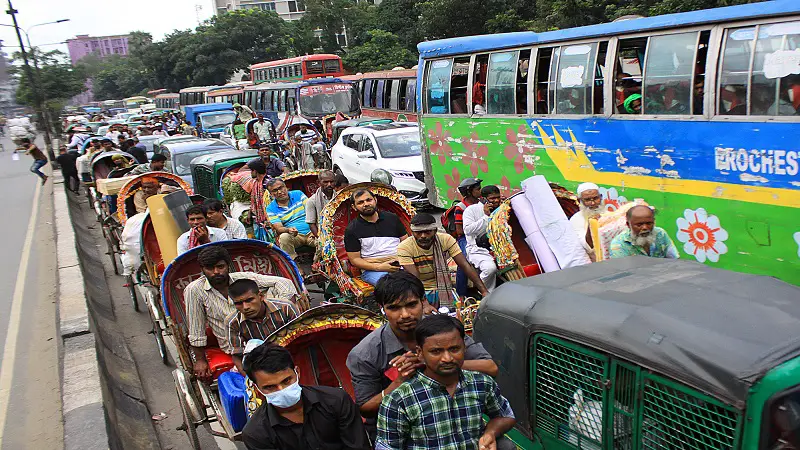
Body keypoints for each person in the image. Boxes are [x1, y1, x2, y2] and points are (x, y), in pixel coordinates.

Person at [346, 271, 498, 442]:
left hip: (454, 417)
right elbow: (366, 409)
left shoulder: (444, 330)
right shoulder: (365, 354)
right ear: (382, 308)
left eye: (411, 305)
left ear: (423, 301)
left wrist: (433, 363)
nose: (404, 315)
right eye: (394, 308)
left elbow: (490, 367)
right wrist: (398, 383)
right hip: (400, 432)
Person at [375, 314, 516, 450]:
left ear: (464, 348)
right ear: (419, 353)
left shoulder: (481, 383)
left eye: (454, 349)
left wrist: (490, 433)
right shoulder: (400, 400)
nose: (447, 358)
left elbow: (505, 417)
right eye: (436, 351)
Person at [184, 246, 298, 379]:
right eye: (210, 268)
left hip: (267, 335)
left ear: (228, 265)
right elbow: (196, 329)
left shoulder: (243, 279)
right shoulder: (194, 290)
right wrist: (200, 360)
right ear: (202, 270)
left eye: (220, 267)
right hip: (236, 344)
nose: (216, 272)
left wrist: (278, 305)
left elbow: (284, 283)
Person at [242, 342, 371, 450]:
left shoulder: (336, 400)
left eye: (286, 380)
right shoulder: (256, 433)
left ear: (297, 372)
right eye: (270, 387)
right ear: (257, 388)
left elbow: (358, 446)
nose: (281, 390)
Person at [397, 213, 488, 309]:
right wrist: (424, 303)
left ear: (435, 230)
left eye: (428, 232)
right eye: (418, 232)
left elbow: (465, 265)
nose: (423, 236)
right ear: (412, 232)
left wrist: (484, 291)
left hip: (444, 288)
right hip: (419, 290)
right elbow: (414, 279)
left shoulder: (446, 239)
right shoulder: (404, 247)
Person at [225, 279, 298, 373]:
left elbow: (300, 338)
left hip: (292, 356)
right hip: (260, 365)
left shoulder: (286, 308)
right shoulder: (232, 322)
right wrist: (251, 380)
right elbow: (237, 355)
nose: (246, 307)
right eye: (239, 303)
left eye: (249, 300)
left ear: (261, 296)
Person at [344, 189, 408, 286]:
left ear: (375, 200)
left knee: (416, 282)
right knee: (390, 286)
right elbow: (355, 260)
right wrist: (379, 267)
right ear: (354, 207)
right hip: (372, 270)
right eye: (360, 202)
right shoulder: (352, 229)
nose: (366, 204)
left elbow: (406, 243)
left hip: (400, 264)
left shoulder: (392, 218)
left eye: (369, 200)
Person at [462, 185, 502, 292]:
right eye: (492, 198)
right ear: (483, 199)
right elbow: (467, 230)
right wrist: (486, 217)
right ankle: (485, 293)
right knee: (490, 269)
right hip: (478, 251)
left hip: (500, 249)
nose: (496, 200)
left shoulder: (501, 210)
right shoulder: (471, 210)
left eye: (498, 197)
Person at [266, 179, 316, 260]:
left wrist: (315, 230)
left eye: (281, 188)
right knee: (284, 237)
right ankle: (295, 266)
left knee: (325, 238)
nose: (279, 192)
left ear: (286, 187)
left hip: (312, 232)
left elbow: (312, 211)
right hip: (295, 236)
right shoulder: (270, 208)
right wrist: (288, 230)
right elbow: (278, 228)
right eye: (275, 190)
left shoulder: (298, 194)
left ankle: (317, 262)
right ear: (271, 194)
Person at [609, 204, 679, 259]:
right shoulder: (619, 245)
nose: (645, 228)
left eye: (649, 223)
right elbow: (623, 274)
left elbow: (674, 259)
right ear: (628, 225)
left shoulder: (660, 234)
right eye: (639, 225)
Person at [451, 178, 482, 296]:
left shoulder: (481, 203)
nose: (480, 191)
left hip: (480, 235)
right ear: (469, 192)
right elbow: (459, 231)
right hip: (465, 238)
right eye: (478, 189)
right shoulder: (460, 208)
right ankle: (461, 294)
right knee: (464, 261)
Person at [569, 182, 603, 262]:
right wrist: (591, 223)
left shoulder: (607, 213)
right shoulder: (575, 220)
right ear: (579, 200)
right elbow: (588, 246)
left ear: (601, 197)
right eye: (587, 200)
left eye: (595, 198)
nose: (593, 203)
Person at [305, 170, 336, 238]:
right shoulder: (312, 201)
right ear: (318, 183)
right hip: (322, 235)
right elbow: (311, 224)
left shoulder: (340, 197)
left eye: (331, 182)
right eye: (325, 182)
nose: (329, 185)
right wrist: (321, 240)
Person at [247, 159, 272, 242]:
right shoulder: (256, 183)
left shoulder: (268, 183)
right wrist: (250, 212)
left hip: (269, 219)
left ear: (255, 170)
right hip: (259, 219)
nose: (250, 173)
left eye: (251, 170)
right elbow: (254, 199)